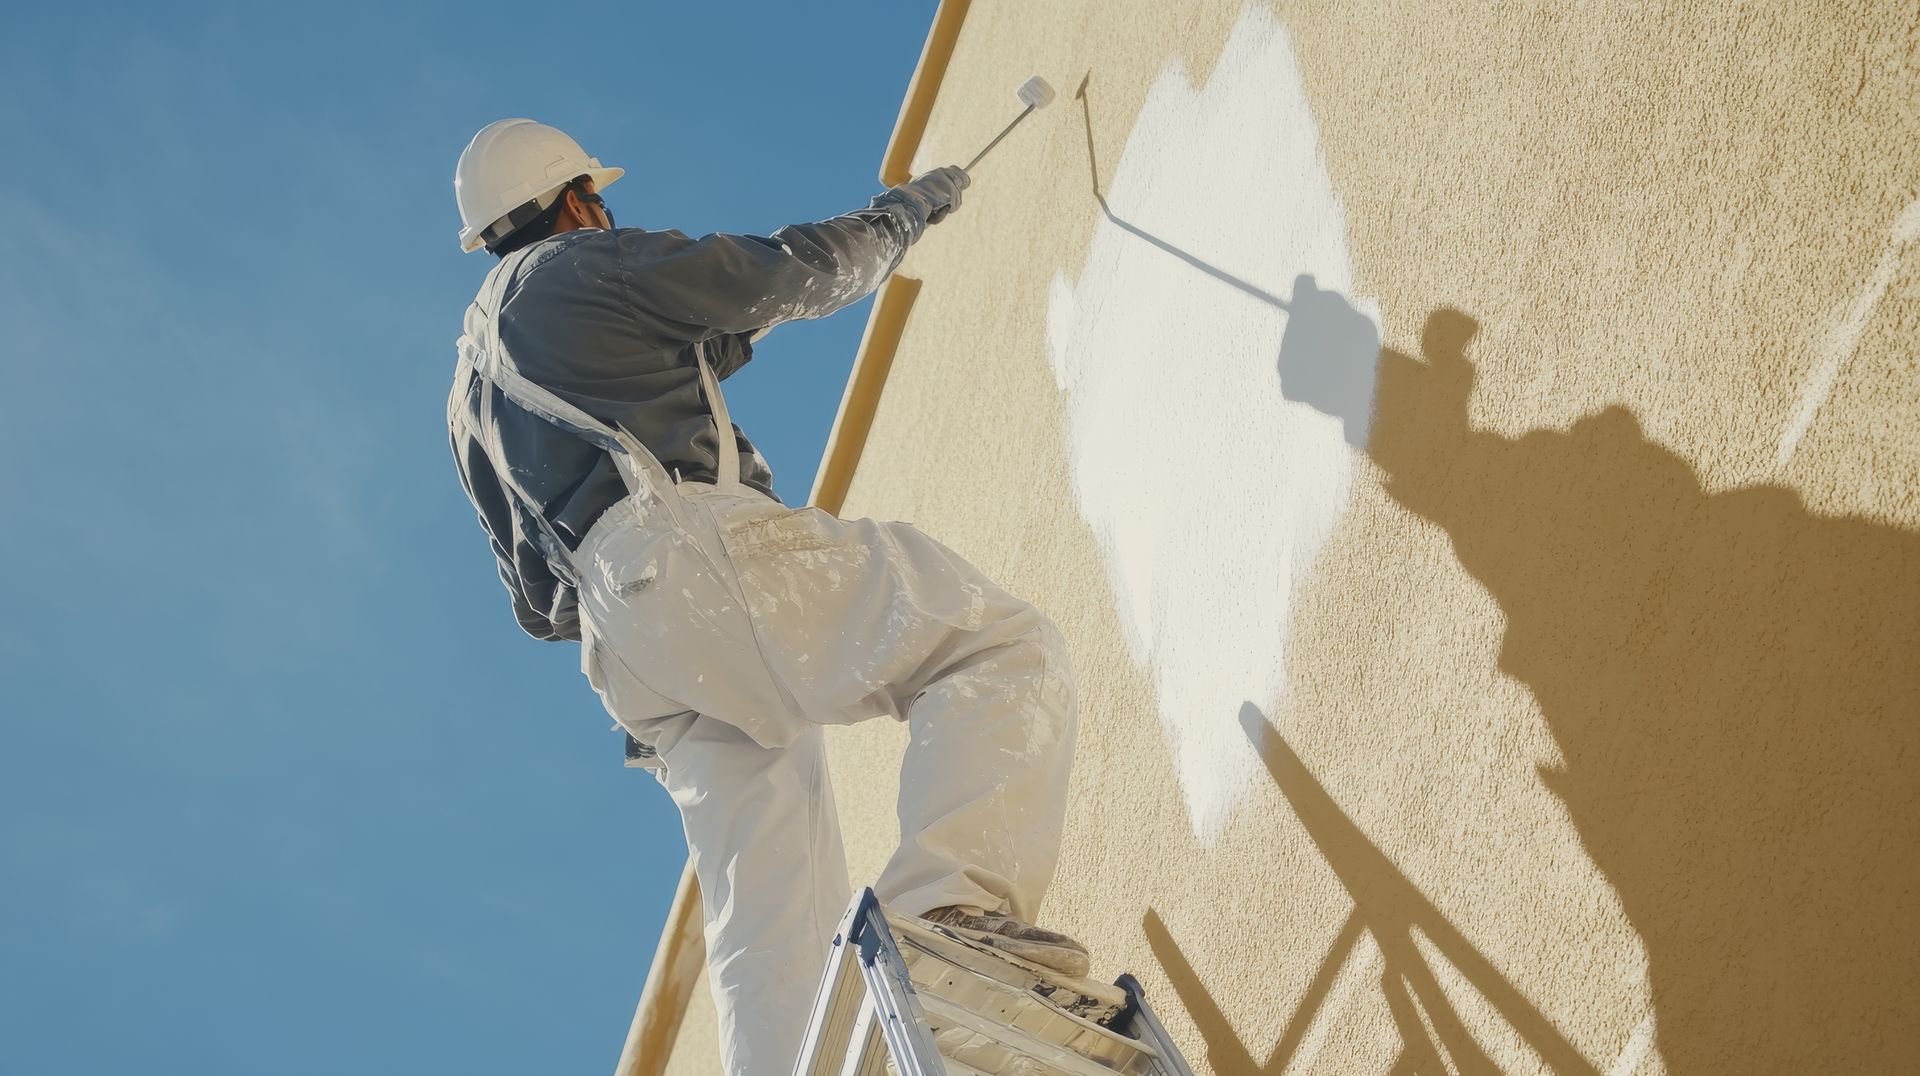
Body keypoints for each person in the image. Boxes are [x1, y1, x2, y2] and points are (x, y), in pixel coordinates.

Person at [445, 118, 1084, 1074]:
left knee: (768, 899)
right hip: (686, 551)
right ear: (573, 200)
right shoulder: (581, 267)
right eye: (598, 199)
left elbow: (536, 604)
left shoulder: (469, 392)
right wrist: (902, 215)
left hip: (630, 655)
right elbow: (785, 272)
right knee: (988, 644)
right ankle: (954, 922)